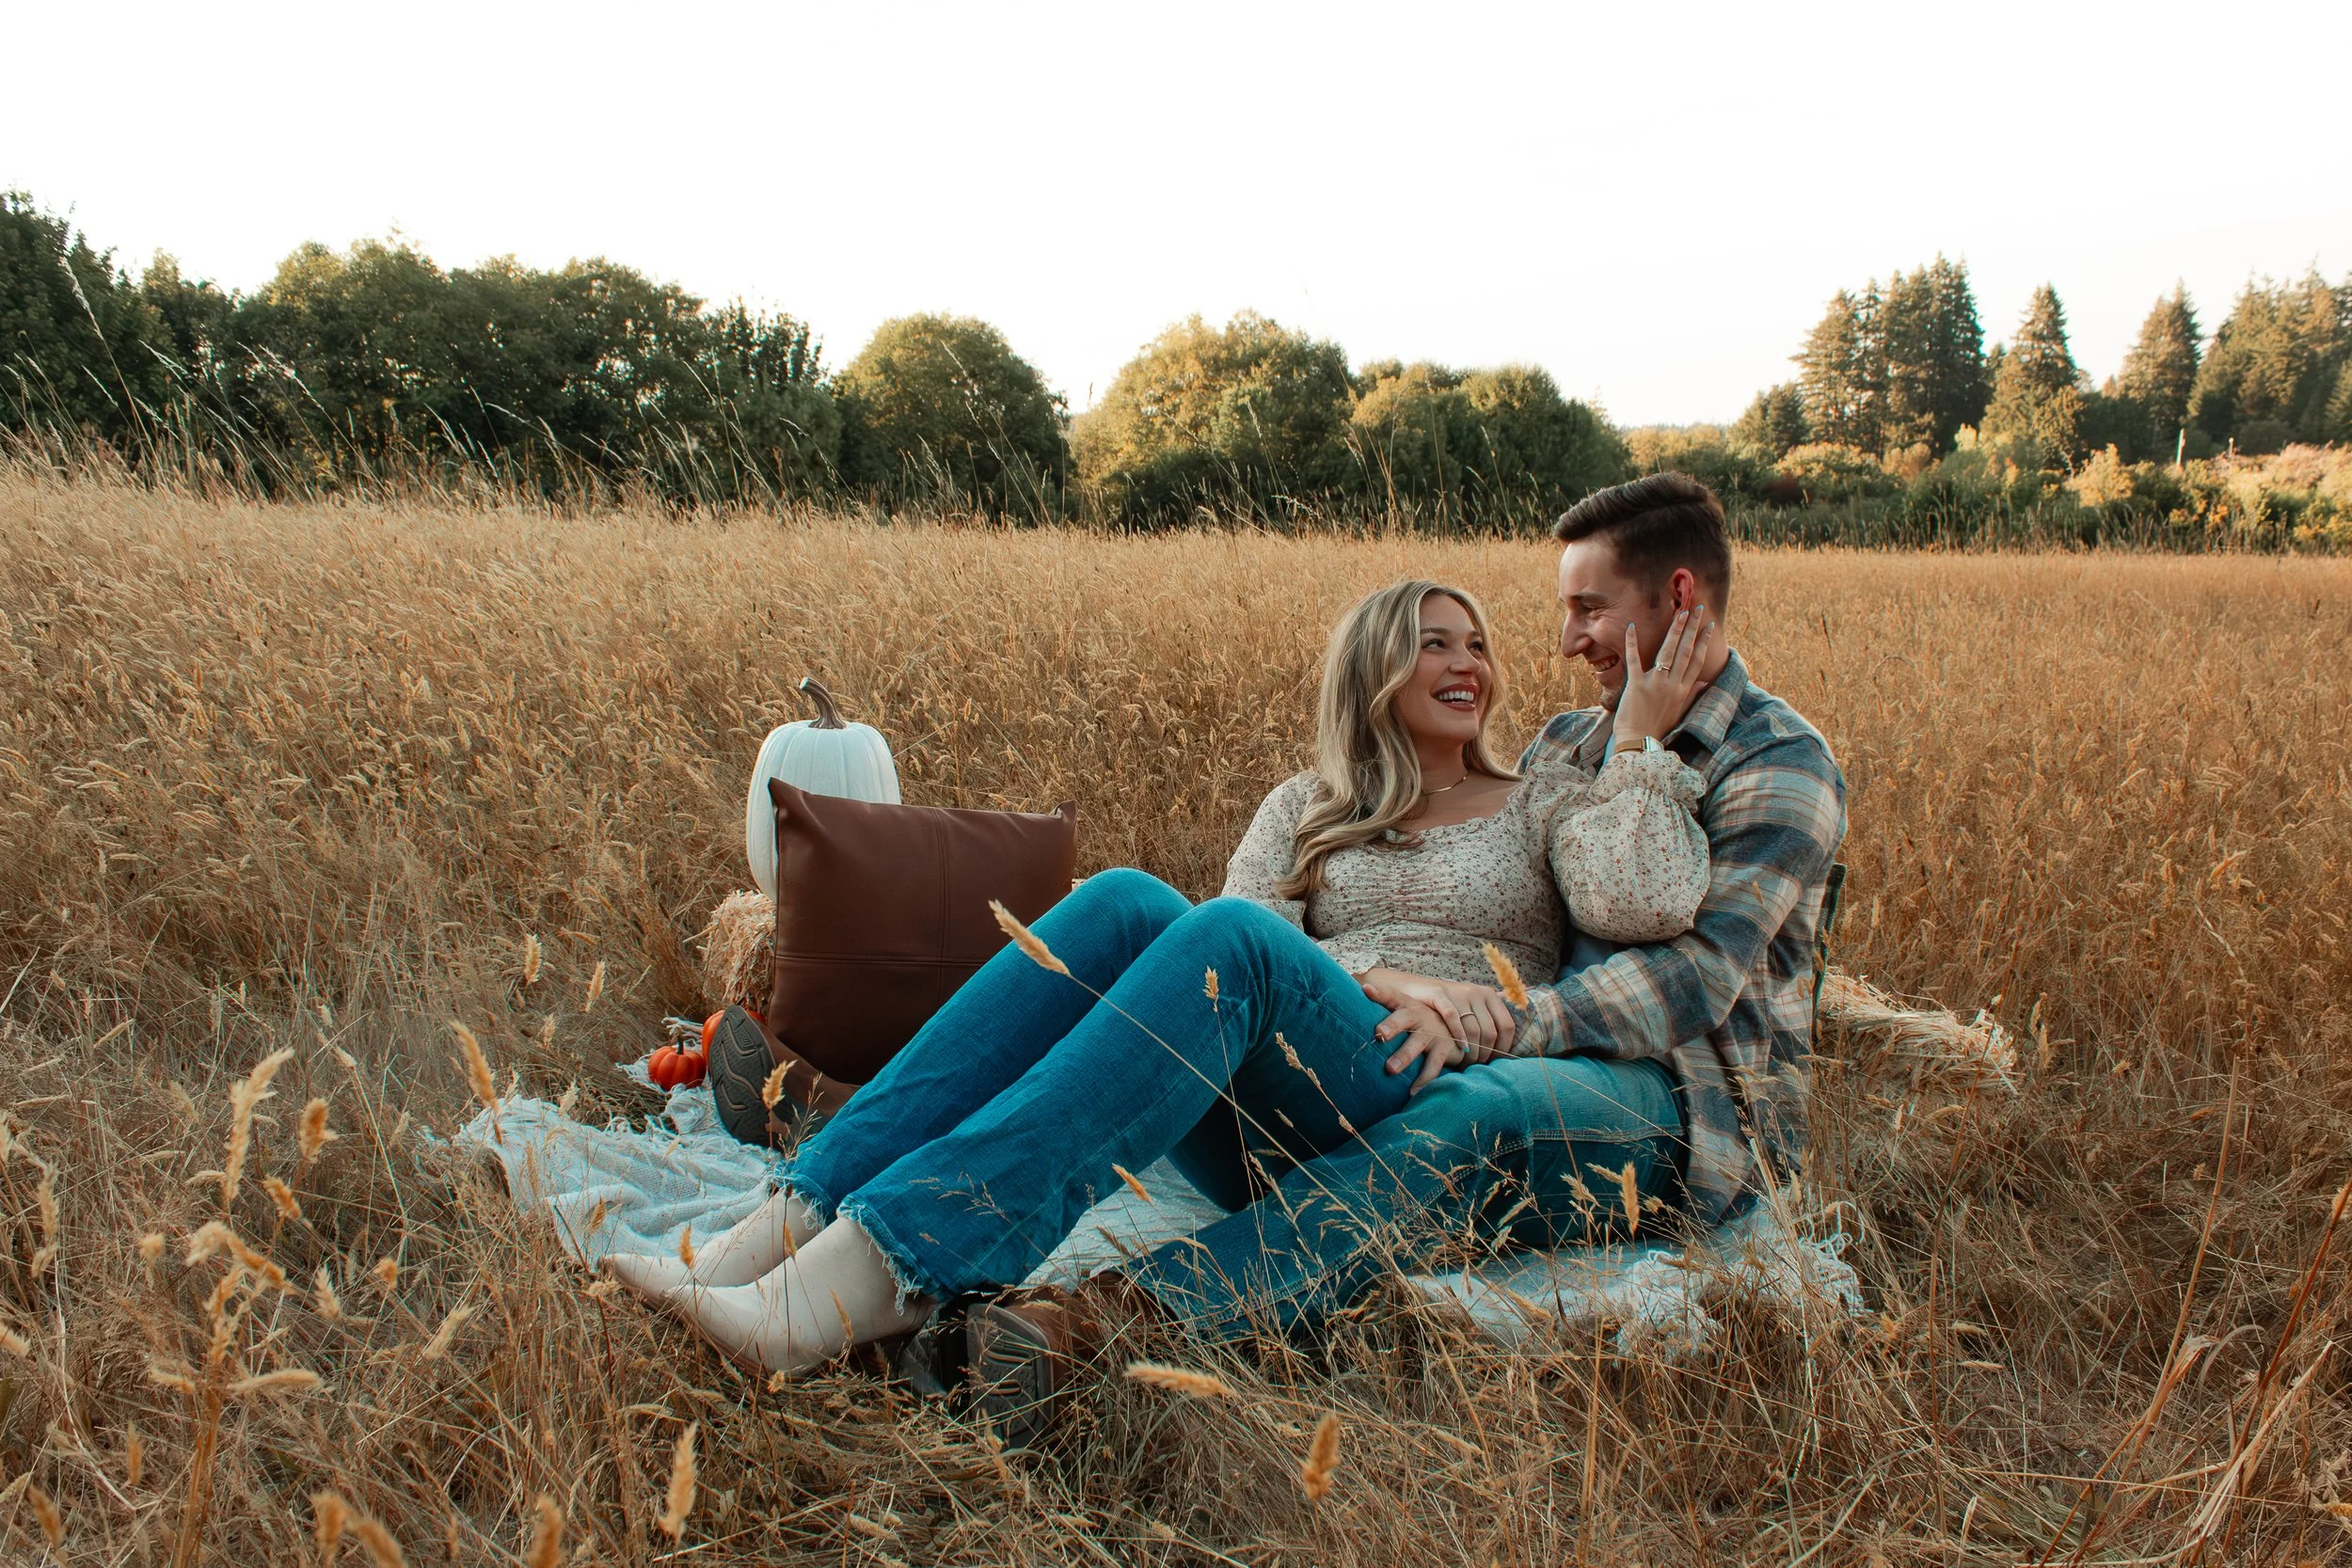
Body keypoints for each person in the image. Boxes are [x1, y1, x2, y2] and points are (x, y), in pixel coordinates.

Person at [599, 571, 1722, 1382]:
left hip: (1410, 1085)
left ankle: (872, 1270)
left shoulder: (1541, 797)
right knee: (1136, 899)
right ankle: (782, 1227)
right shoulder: (1304, 806)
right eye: (1434, 641)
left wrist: (1638, 742)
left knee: (1221, 933)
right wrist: (1379, 968)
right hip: (1279, 1094)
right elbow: (1243, 935)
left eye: (1476, 643)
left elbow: (1647, 899)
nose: (1466, 662)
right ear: (1373, 665)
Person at [951, 472, 1848, 1442]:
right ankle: (919, 1228)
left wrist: (1500, 1019)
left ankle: (1109, 1321)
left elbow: (1696, 978)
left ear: (1677, 599)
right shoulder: (1564, 743)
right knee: (1136, 919)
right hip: (1504, 1048)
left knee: (1478, 1104)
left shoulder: (1779, 763)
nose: (1564, 639)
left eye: (1587, 608)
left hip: (1677, 1104)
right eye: (1562, 610)